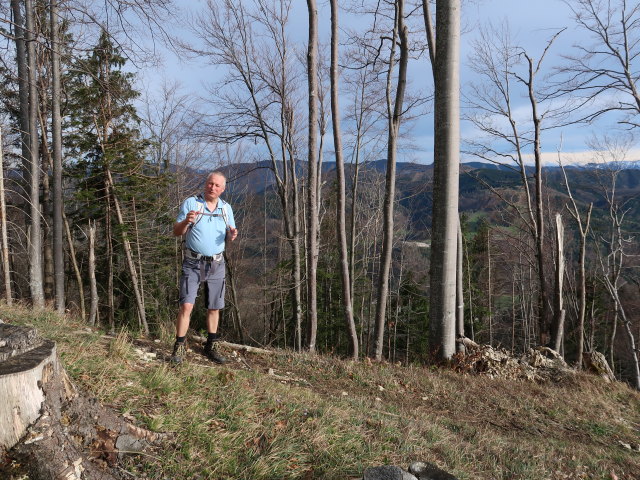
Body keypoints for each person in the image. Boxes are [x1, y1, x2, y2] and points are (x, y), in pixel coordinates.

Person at [170, 171, 238, 365]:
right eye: (210, 184)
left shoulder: (226, 209)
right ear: (205, 183)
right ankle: (179, 346)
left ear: (223, 189)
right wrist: (186, 221)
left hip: (217, 263)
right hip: (193, 262)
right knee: (186, 305)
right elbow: (177, 232)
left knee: (214, 307)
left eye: (217, 186)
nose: (212, 188)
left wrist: (232, 236)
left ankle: (211, 344)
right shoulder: (191, 203)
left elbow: (229, 235)